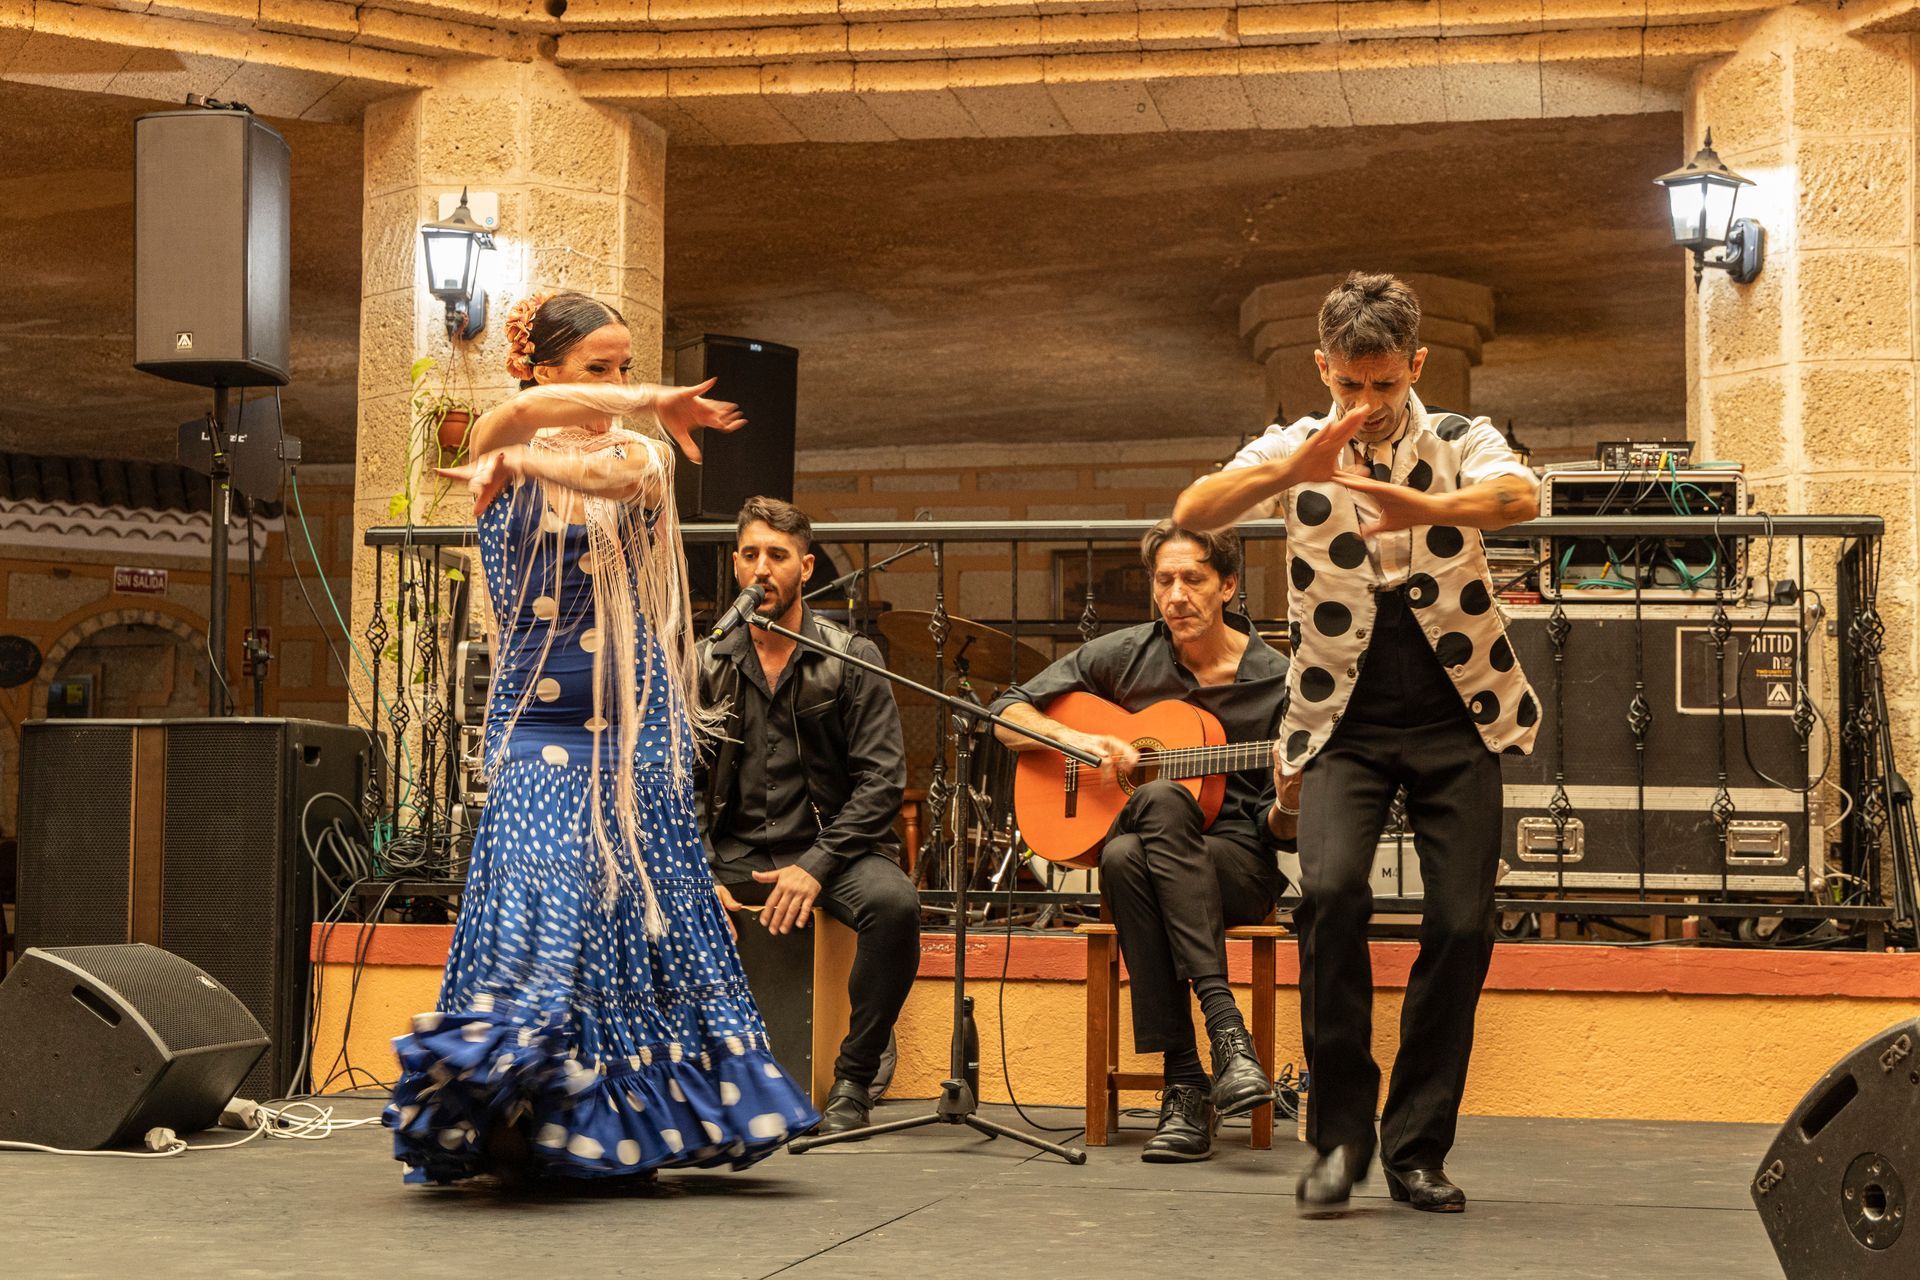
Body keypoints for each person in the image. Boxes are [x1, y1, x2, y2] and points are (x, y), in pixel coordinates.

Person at [385, 290, 819, 1185]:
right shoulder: (498, 435)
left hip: (636, 730)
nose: (618, 387)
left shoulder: (639, 455)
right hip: (537, 728)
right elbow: (519, 424)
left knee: (632, 914)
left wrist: (617, 425)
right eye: (599, 370)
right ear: (543, 371)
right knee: (547, 905)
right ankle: (526, 1112)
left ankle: (619, 1127)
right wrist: (604, 419)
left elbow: (622, 486)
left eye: (626, 368)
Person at [1174, 271, 1540, 1214]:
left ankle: (1416, 1148)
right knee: (1331, 898)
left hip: (1457, 713)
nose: (1367, 404)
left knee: (1460, 926)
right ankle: (1340, 1141)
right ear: (1322, 368)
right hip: (1342, 722)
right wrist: (1285, 472)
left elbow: (1520, 497)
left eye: (1384, 384)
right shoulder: (1296, 444)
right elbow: (1194, 513)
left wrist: (1434, 510)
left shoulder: (1458, 437)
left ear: (1416, 364)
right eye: (1349, 385)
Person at [989, 521, 1293, 1163]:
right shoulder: (1125, 654)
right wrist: (1082, 742)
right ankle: (1221, 1043)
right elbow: (1006, 713)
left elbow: (1282, 830)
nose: (1176, 595)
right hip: (1152, 858)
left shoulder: (1276, 680)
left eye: (1193, 579)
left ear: (1228, 586)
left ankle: (1185, 1083)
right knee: (1143, 828)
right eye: (1164, 581)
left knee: (1135, 841)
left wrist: (1293, 796)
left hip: (1236, 862)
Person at [698, 496, 921, 1137]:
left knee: (895, 905)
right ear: (735, 565)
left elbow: (881, 783)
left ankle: (853, 1079)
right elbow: (679, 786)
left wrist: (816, 866)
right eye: (750, 554)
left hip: (833, 851)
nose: (761, 569)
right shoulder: (705, 661)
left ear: (806, 567)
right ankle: (694, 1081)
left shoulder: (851, 657)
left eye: (778, 555)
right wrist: (696, 871)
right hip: (734, 853)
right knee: (650, 901)